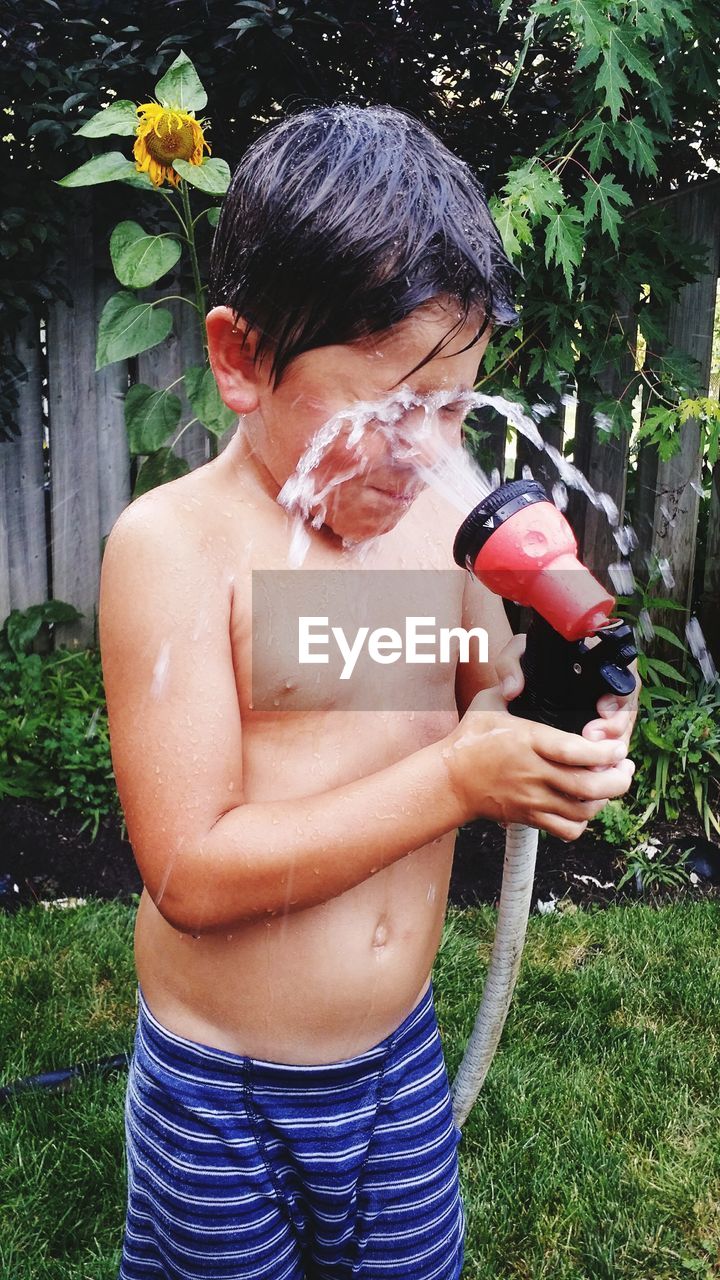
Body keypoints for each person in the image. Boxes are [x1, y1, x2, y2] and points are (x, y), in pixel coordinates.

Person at [100, 105, 637, 1280]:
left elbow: (495, 702)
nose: (428, 450)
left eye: (452, 409)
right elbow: (191, 871)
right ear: (241, 358)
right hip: (225, 1093)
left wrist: (568, 722)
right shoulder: (182, 548)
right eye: (389, 410)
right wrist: (454, 777)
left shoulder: (440, 527)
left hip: (398, 1065)